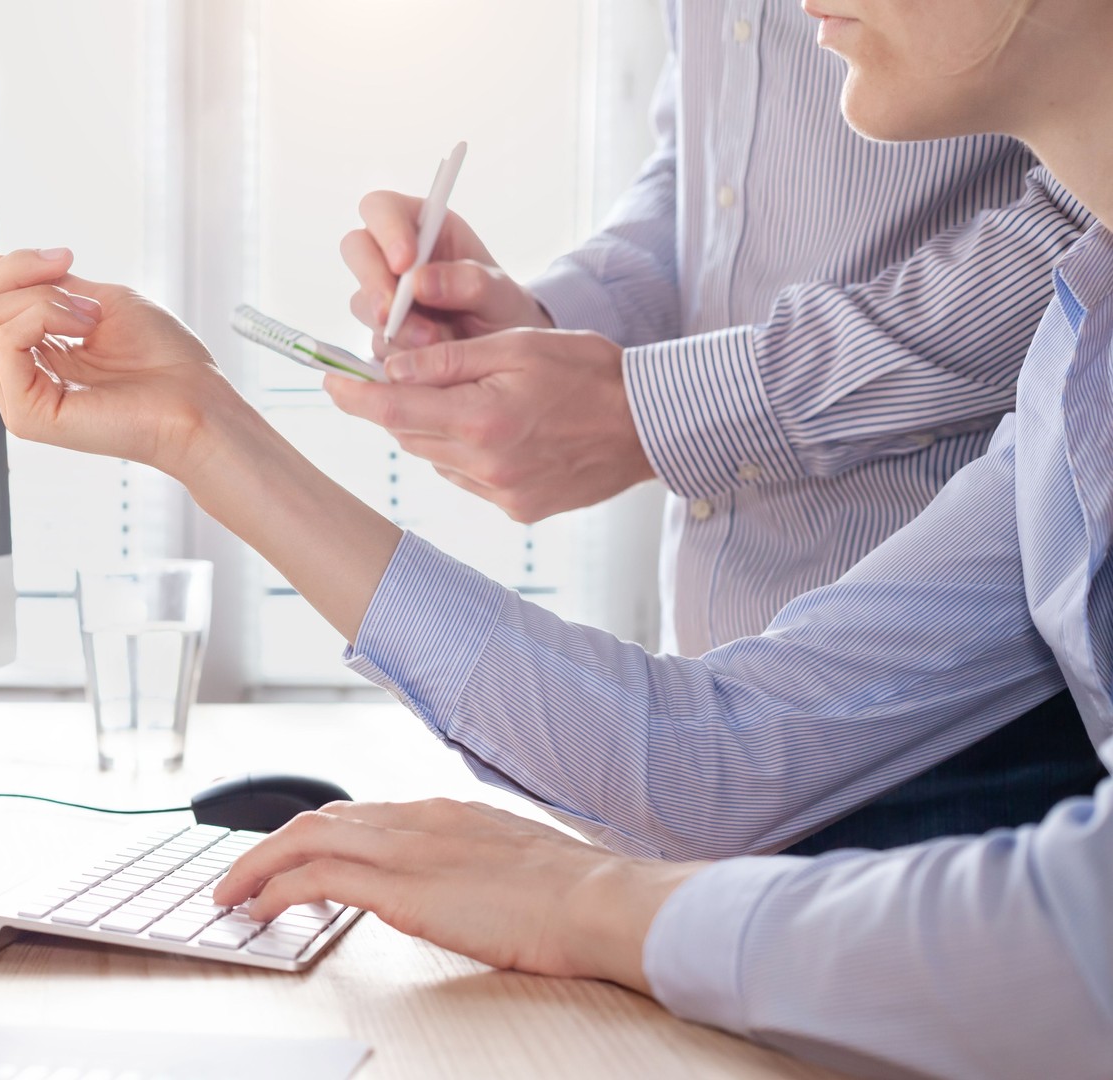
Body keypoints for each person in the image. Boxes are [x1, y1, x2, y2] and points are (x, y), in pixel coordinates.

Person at [0, 0, 1113, 1070]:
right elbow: (713, 757)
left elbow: (1078, 941)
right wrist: (201, 432)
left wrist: (595, 906)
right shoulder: (1074, 356)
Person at [330, 0, 1102, 854]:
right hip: (718, 703)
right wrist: (550, 328)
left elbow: (1080, 215)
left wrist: (656, 407)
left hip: (955, 704)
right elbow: (709, 166)